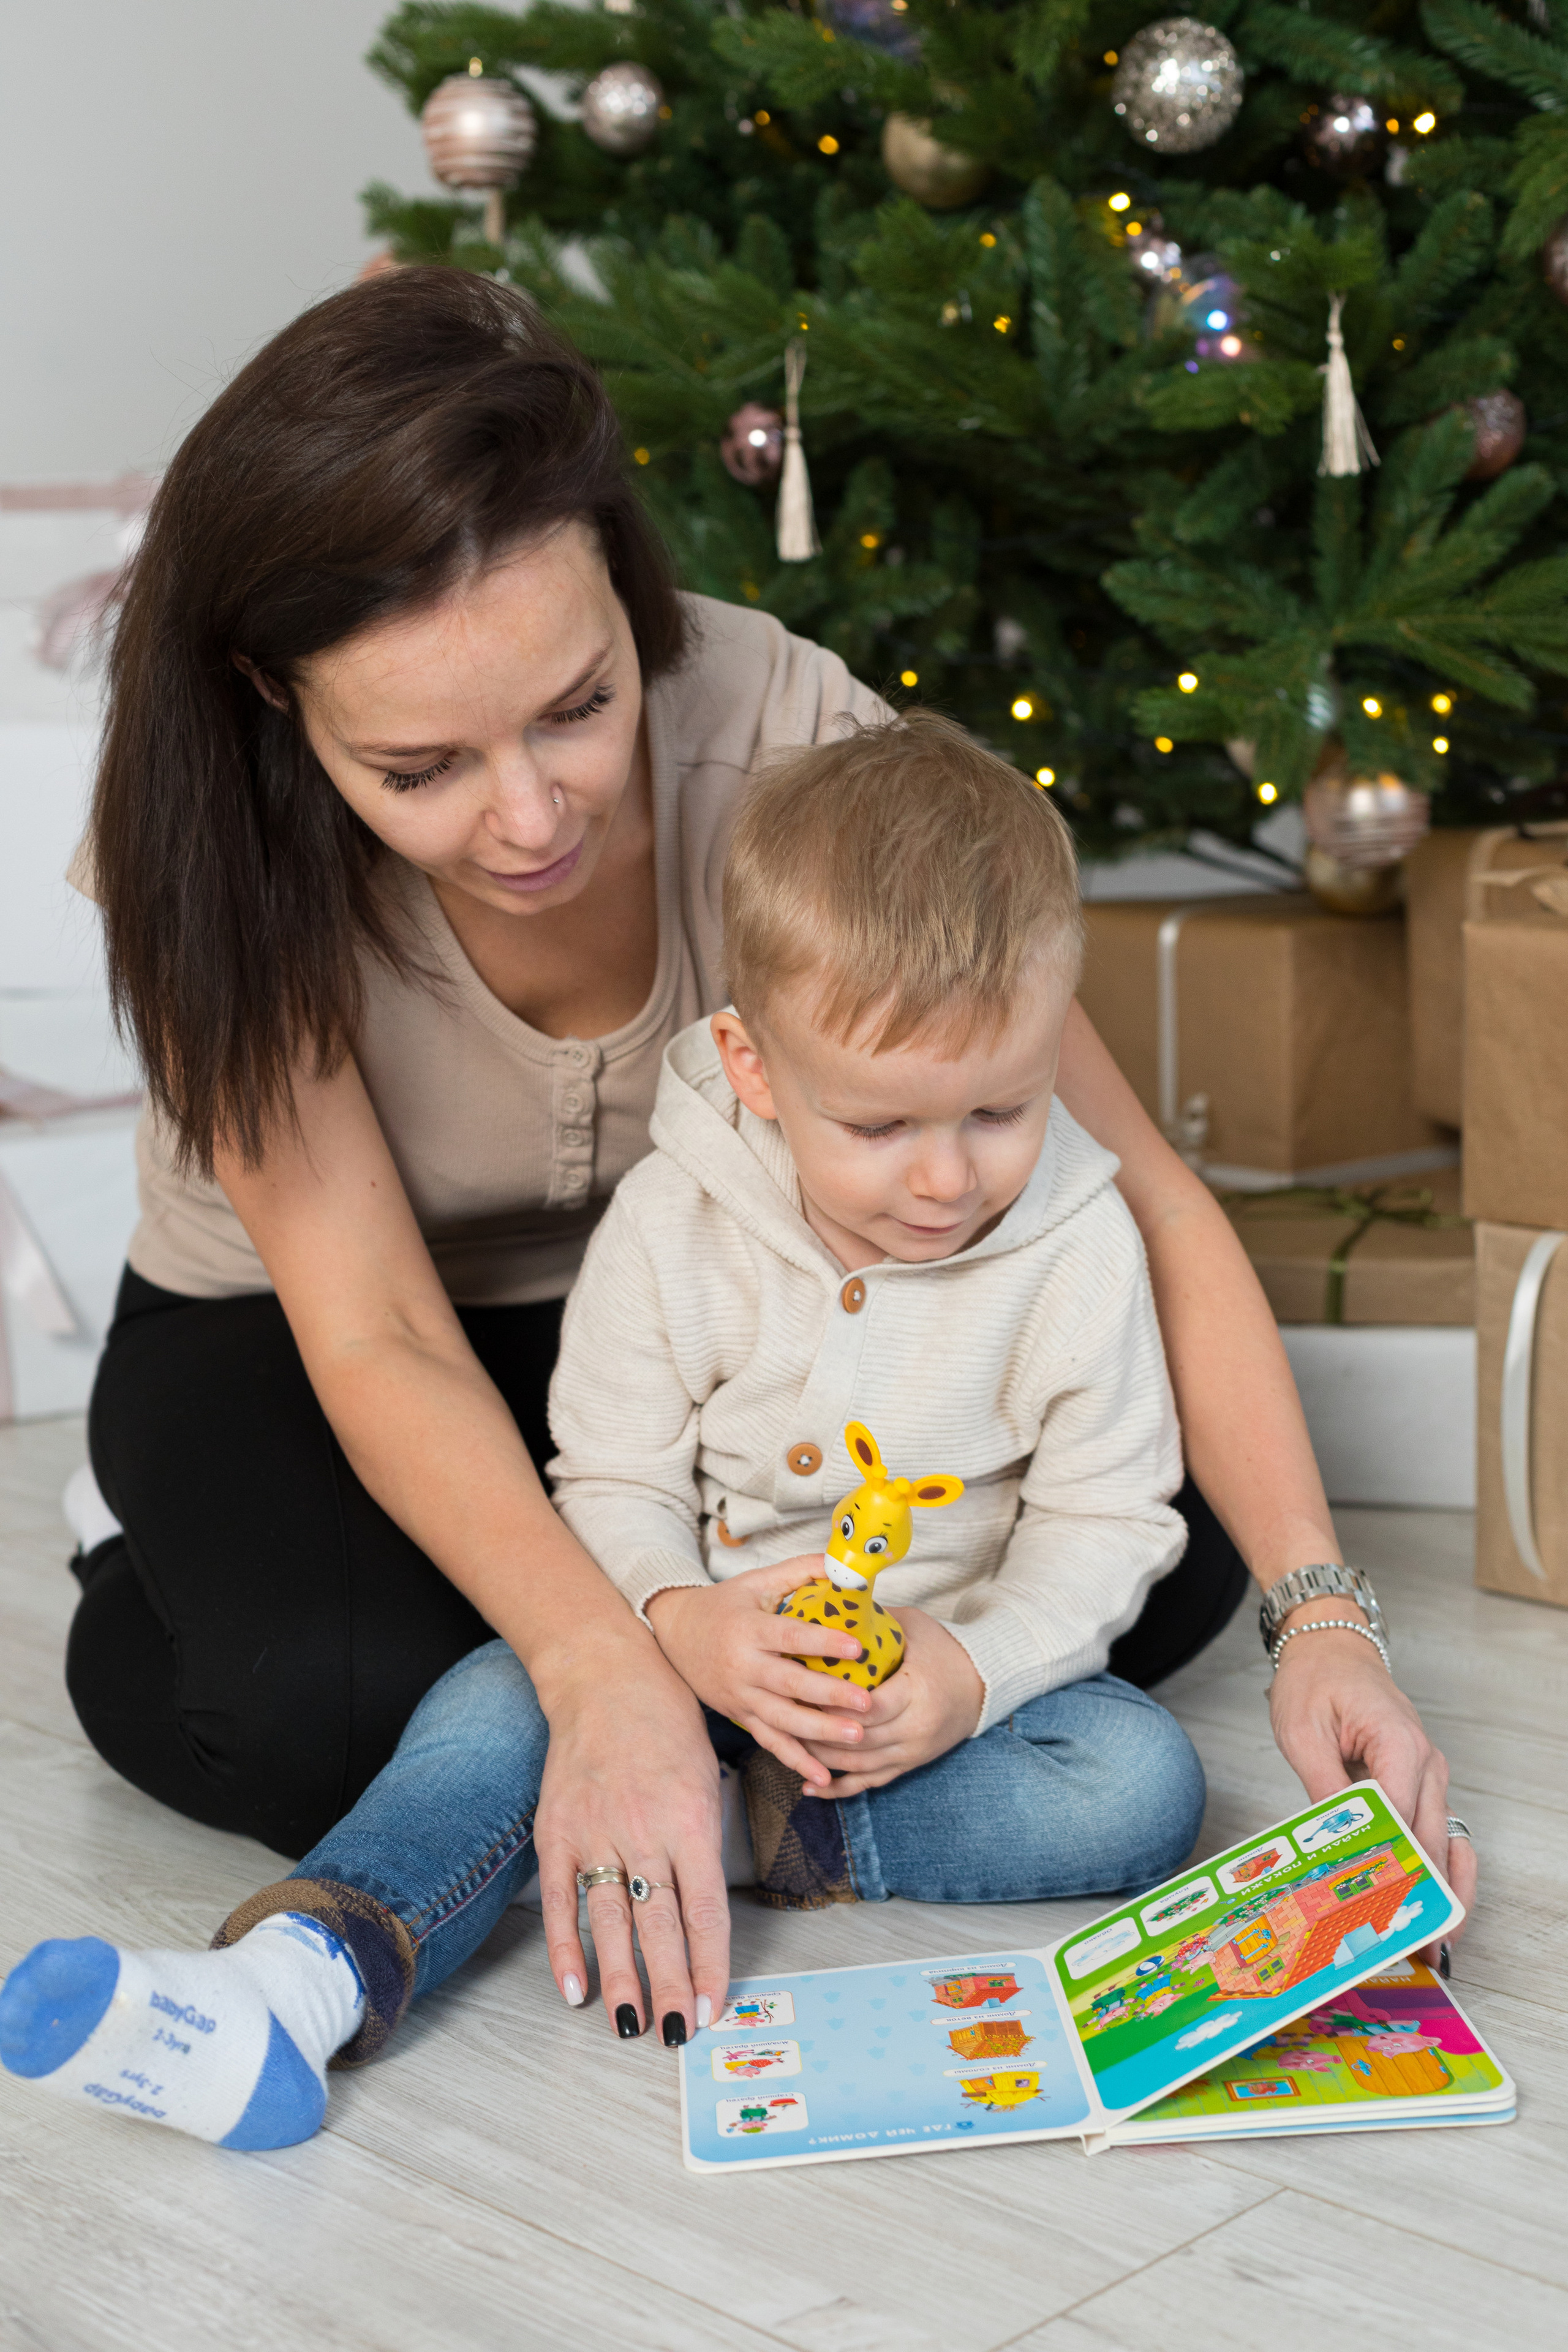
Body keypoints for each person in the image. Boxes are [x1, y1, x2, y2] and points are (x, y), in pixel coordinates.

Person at [42, 267, 1468, 2054]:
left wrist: (1322, 1617)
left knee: (1151, 1552)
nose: (533, 818)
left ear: (624, 585)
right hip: (325, 1334)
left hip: (736, 1301)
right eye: (420, 768)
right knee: (334, 1711)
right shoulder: (210, 841)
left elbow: (1132, 1197)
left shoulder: (790, 734)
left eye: (577, 706)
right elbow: (378, 1337)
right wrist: (612, 1665)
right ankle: (148, 1565)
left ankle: (751, 1789)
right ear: (276, 701)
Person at [1, 713, 1214, 2149]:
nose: (948, 1179)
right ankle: (307, 1973)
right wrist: (675, 1624)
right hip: (668, 1651)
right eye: (880, 1128)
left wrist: (973, 1667)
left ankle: (713, 1832)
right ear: (753, 1069)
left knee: (1143, 1781)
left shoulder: (1077, 1243)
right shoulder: (674, 1219)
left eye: (1000, 1111)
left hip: (925, 1689)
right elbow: (612, 1471)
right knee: (486, 1705)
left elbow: (1108, 1518)